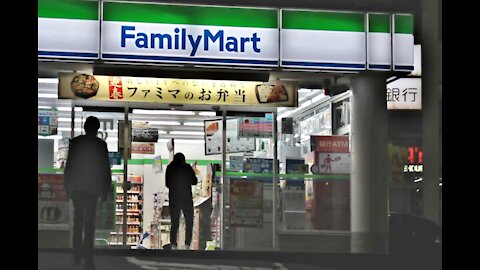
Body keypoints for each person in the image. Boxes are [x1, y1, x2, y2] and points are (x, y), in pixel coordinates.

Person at [64, 116, 111, 269]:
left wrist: (67, 187)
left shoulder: (76, 143)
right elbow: (105, 169)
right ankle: (88, 259)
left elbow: (69, 166)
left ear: (84, 127)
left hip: (77, 188)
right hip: (93, 189)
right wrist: (105, 190)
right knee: (90, 223)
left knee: (78, 221)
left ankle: (77, 255)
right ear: (97, 129)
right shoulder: (101, 145)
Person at [165, 152, 198, 250]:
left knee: (174, 222)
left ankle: (173, 244)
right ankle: (187, 244)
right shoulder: (187, 167)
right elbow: (194, 181)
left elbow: (167, 184)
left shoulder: (170, 167)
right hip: (186, 197)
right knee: (189, 221)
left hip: (174, 197)